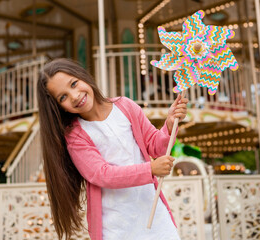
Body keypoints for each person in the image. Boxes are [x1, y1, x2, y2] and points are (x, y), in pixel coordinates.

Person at [37, 58, 188, 240]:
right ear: (59, 107)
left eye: (74, 84)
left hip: (154, 215)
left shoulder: (125, 106)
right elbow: (102, 175)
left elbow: (155, 147)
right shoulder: (75, 136)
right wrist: (150, 169)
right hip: (116, 226)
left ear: (83, 76)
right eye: (63, 97)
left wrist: (170, 125)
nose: (75, 95)